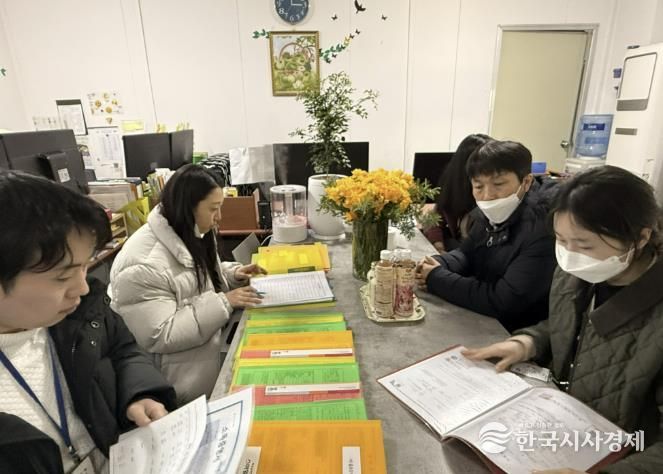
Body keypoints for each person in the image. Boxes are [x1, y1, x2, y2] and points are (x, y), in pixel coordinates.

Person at [463, 165, 663, 473]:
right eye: (561, 240)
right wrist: (527, 343)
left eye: (585, 244)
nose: (570, 254)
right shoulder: (577, 273)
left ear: (640, 238)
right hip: (565, 431)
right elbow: (573, 328)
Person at [0, 171, 176, 473]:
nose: (81, 288)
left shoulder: (79, 313)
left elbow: (123, 349)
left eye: (84, 267)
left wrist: (138, 394)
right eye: (63, 277)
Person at [109, 164, 266, 404]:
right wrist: (225, 302)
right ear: (188, 207)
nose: (219, 217)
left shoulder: (189, 230)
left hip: (202, 357)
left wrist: (233, 275)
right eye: (213, 209)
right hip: (176, 382)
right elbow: (161, 334)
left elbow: (196, 279)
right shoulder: (143, 265)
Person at [415, 140, 556, 332]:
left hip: (512, 332)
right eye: (478, 186)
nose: (488, 195)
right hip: (480, 318)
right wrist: (438, 263)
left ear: (526, 182)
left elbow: (503, 300)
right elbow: (467, 254)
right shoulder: (487, 214)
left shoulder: (542, 230)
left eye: (498, 184)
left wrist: (436, 277)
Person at [424, 133, 492, 252]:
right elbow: (434, 220)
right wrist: (439, 246)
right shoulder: (453, 184)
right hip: (457, 251)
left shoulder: (490, 198)